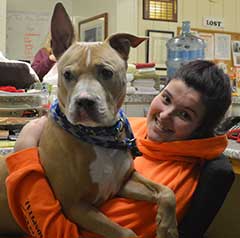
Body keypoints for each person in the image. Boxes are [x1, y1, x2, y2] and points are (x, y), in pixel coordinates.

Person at [4, 60, 232, 238]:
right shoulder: (131, 128)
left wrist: (23, 155)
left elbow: (57, 233)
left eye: (184, 115)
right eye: (166, 98)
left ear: (200, 130)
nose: (164, 115)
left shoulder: (172, 181)